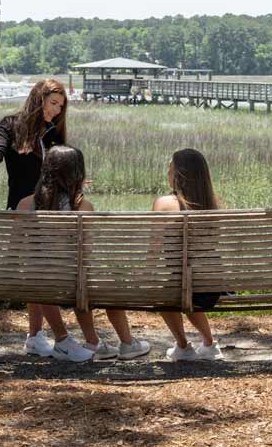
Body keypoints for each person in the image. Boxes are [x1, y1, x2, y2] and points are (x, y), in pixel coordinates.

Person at [17, 145, 151, 362]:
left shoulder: (25, 204)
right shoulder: (83, 207)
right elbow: (85, 253)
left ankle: (89, 342)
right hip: (70, 281)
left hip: (35, 281)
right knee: (86, 279)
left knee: (42, 276)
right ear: (77, 174)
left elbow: (16, 250)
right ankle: (117, 342)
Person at [0, 79, 73, 358]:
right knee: (40, 275)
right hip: (23, 212)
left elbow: (60, 169)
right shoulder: (10, 125)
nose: (56, 111)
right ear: (39, 99)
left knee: (38, 275)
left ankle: (35, 336)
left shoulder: (53, 132)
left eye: (61, 106)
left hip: (49, 213)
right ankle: (60, 339)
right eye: (53, 103)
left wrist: (73, 182)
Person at [152, 148, 225, 361]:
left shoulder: (164, 204)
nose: (167, 172)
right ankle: (210, 344)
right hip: (211, 287)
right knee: (189, 287)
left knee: (172, 291)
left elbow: (153, 251)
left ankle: (183, 346)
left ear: (179, 174)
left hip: (180, 287)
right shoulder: (212, 205)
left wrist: (142, 274)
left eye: (170, 168)